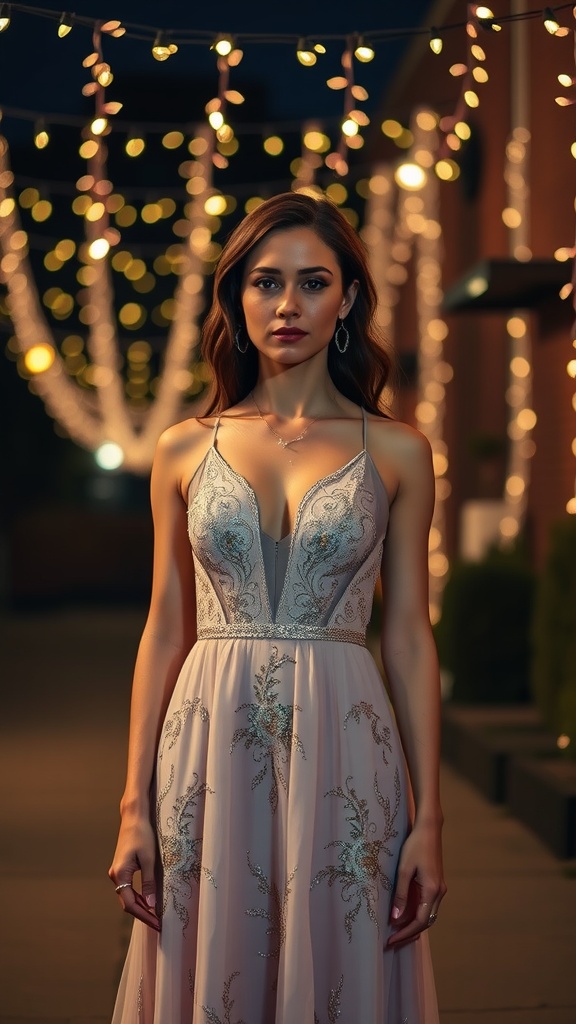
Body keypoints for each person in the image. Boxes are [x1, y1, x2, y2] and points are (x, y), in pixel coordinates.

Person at [108, 191, 446, 1024]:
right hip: (208, 742)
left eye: (312, 281)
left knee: (337, 958)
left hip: (346, 739)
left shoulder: (399, 448)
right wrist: (131, 806)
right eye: (265, 282)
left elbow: (406, 636)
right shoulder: (186, 444)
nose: (287, 304)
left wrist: (429, 816)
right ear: (237, 299)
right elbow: (164, 625)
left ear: (347, 301)